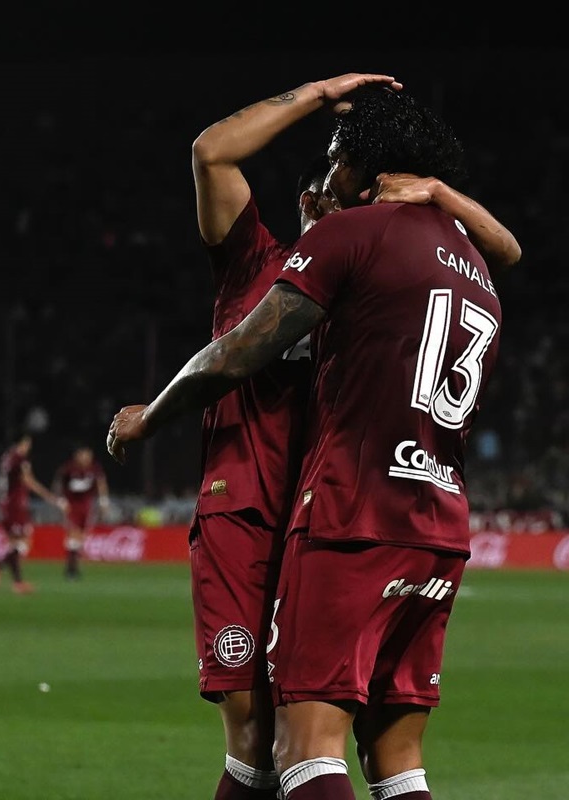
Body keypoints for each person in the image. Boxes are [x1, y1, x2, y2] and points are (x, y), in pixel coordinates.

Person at [109, 86, 509, 800]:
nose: (321, 191)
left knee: (305, 745)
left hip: (332, 517)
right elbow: (211, 151)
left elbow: (236, 357)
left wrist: (152, 416)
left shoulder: (363, 258)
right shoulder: (258, 262)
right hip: (260, 511)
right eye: (312, 185)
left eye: (334, 171)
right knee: (266, 738)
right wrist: (322, 92)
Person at [0, 433, 64, 594]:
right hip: (14, 505)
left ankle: (15, 581)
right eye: (27, 444)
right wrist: (50, 497)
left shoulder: (6, 457)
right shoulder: (20, 459)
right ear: (21, 444)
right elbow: (28, 481)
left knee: (16, 542)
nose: (28, 448)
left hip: (5, 503)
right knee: (23, 542)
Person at [51, 443, 110, 580]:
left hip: (86, 506)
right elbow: (57, 484)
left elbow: (101, 483)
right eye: (83, 455)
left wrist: (103, 501)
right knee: (73, 535)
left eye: (88, 455)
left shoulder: (94, 468)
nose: (86, 458)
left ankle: (73, 566)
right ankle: (71, 569)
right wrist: (59, 500)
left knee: (81, 537)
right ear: (77, 456)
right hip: (71, 506)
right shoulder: (68, 469)